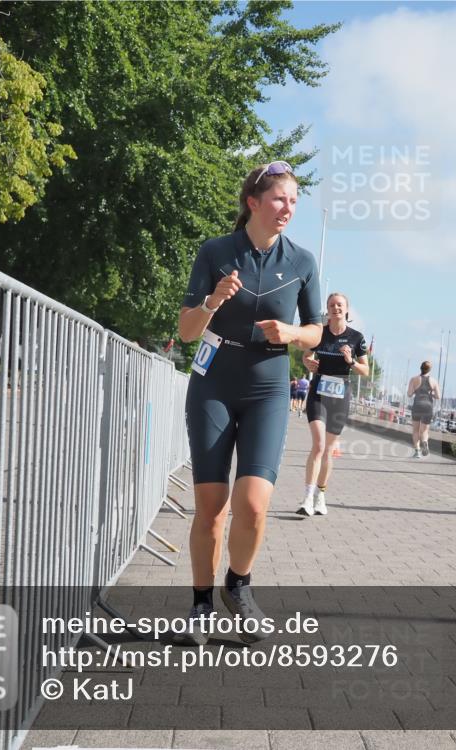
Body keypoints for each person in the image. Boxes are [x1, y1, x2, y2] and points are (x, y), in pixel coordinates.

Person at [176, 160, 323, 644]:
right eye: (280, 199)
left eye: (294, 201)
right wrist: (213, 301)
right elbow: (186, 332)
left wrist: (294, 333)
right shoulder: (216, 251)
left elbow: (317, 330)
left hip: (268, 386)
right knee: (212, 506)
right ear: (253, 202)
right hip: (214, 382)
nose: (288, 209)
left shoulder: (302, 262)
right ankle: (200, 606)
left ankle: (238, 586)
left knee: (254, 505)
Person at [298, 292, 369, 516]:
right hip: (319, 391)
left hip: (341, 394)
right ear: (327, 309)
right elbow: (306, 356)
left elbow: (365, 371)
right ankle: (307, 498)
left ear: (346, 309)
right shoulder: (319, 333)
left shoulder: (356, 337)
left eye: (339, 305)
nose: (335, 308)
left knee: (328, 450)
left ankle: (321, 495)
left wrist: (350, 361)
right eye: (331, 305)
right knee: (318, 445)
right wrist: (309, 363)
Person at [407, 361, 441, 458]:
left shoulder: (414, 379)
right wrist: (430, 394)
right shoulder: (434, 381)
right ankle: (425, 442)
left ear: (420, 368)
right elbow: (438, 396)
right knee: (425, 431)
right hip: (428, 406)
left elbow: (409, 394)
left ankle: (417, 451)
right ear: (430, 370)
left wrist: (415, 391)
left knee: (416, 430)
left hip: (417, 405)